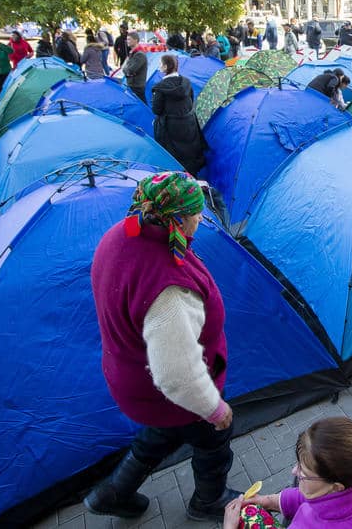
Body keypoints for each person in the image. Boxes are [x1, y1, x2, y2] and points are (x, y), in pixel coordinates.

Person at [85, 171, 240, 521]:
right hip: (163, 385)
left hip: (132, 374)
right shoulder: (168, 289)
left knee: (164, 429)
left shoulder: (122, 233)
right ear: (178, 219)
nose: (201, 218)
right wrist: (215, 409)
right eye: (197, 213)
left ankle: (114, 492)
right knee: (213, 435)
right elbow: (177, 377)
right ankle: (208, 501)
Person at [223, 417, 352, 529]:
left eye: (303, 472)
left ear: (336, 486)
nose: (294, 471)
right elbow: (324, 498)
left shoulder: (317, 525)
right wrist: (270, 501)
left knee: (249, 515)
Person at [152, 54, 208, 174]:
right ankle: (192, 180)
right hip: (189, 123)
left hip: (171, 127)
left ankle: (176, 179)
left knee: (174, 156)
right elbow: (191, 101)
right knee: (190, 153)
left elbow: (156, 110)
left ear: (166, 67)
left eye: (161, 64)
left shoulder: (160, 88)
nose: (159, 66)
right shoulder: (186, 82)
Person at [123, 32, 148, 102]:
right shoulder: (132, 53)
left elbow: (130, 70)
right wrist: (126, 69)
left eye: (129, 39)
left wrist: (126, 70)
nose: (127, 41)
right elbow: (124, 68)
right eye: (127, 39)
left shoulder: (139, 54)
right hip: (132, 84)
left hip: (137, 85)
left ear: (136, 40)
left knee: (142, 105)